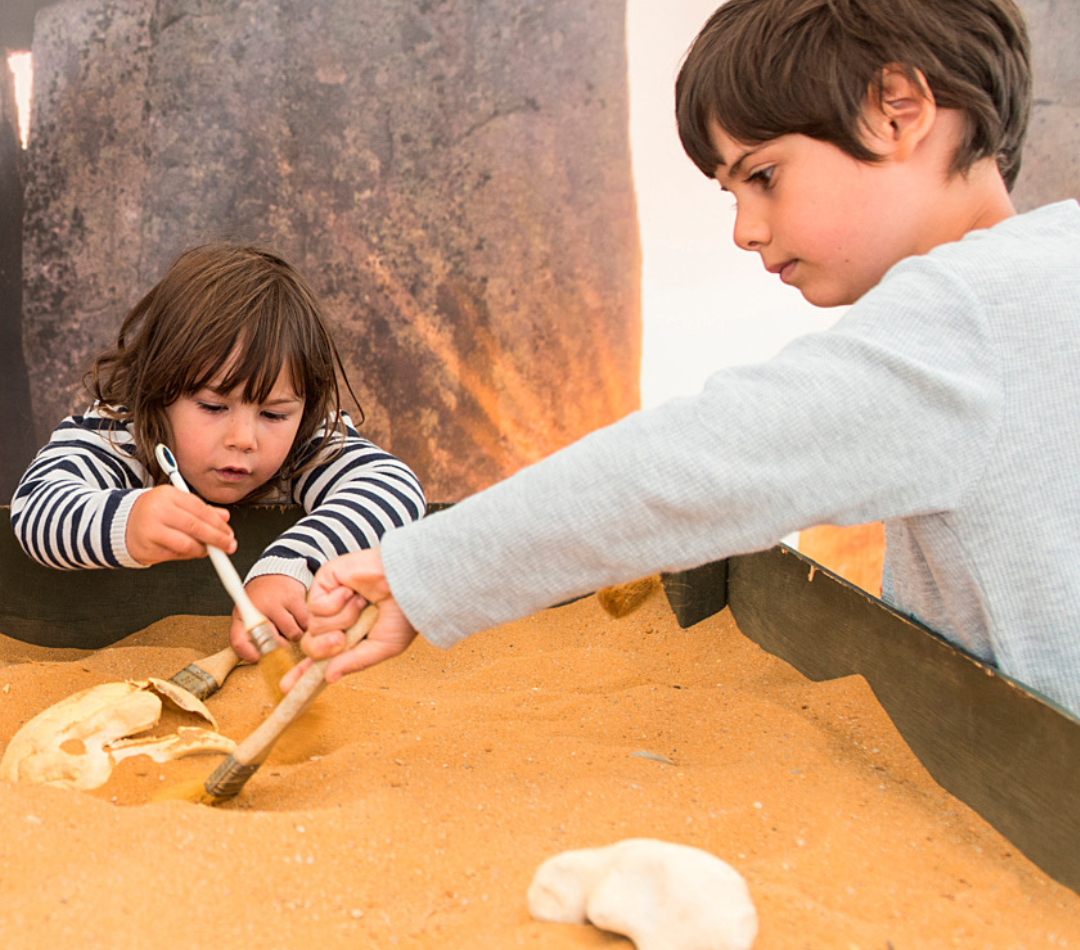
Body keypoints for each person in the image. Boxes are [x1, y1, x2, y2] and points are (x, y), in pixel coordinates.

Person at [289, 0, 1080, 717]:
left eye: (764, 176)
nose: (745, 229)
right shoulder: (1047, 272)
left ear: (897, 111)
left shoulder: (962, 318)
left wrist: (425, 569)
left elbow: (704, 464)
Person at [11, 242, 426, 661]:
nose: (244, 438)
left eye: (274, 414)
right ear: (158, 386)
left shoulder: (305, 444)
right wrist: (130, 521)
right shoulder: (120, 432)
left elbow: (395, 489)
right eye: (213, 406)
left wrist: (290, 566)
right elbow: (34, 507)